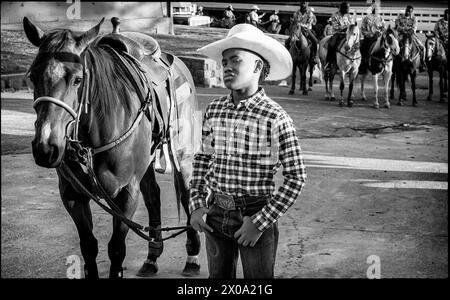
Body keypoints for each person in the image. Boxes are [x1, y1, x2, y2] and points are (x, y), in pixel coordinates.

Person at [192, 24, 307, 278]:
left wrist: (260, 222)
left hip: (255, 213)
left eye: (236, 60)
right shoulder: (214, 110)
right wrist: (197, 204)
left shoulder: (275, 117)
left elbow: (296, 178)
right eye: (224, 62)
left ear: (257, 67)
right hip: (216, 212)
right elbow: (202, 159)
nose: (227, 67)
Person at [324, 2, 356, 70]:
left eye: (348, 7)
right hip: (338, 34)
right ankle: (329, 63)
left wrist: (353, 27)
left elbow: (352, 25)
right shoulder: (335, 16)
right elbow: (335, 27)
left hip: (348, 34)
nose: (348, 9)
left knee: (356, 43)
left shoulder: (349, 16)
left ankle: (356, 62)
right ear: (342, 8)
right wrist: (346, 27)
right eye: (347, 7)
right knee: (332, 45)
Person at [395, 5, 426, 71]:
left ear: (412, 12)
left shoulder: (414, 18)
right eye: (407, 11)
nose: (408, 12)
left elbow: (414, 28)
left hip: (411, 35)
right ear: (405, 10)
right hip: (401, 34)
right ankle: (392, 63)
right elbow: (397, 26)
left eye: (410, 11)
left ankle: (423, 63)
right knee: (394, 46)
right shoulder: (400, 17)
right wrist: (403, 30)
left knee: (422, 47)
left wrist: (409, 32)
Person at [360, 1, 386, 72]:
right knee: (363, 49)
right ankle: (364, 64)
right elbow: (362, 30)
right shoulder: (366, 18)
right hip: (369, 39)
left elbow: (384, 28)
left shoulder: (380, 18)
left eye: (377, 9)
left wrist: (380, 33)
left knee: (387, 48)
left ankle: (386, 64)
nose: (375, 10)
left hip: (378, 39)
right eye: (374, 8)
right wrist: (371, 34)